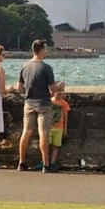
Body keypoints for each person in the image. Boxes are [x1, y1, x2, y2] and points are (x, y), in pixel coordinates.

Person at [16, 39, 64, 173]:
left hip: (28, 103)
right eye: (46, 49)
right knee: (43, 133)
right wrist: (59, 86)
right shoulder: (47, 68)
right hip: (43, 104)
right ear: (41, 50)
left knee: (26, 132)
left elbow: (19, 88)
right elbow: (53, 89)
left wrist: (28, 93)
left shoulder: (24, 66)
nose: (47, 51)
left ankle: (21, 162)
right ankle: (46, 165)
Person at [47, 83, 70, 171]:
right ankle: (45, 162)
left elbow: (65, 117)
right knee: (46, 145)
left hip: (59, 128)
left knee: (56, 146)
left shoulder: (64, 103)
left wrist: (65, 129)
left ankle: (52, 162)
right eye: (57, 90)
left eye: (61, 91)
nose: (60, 93)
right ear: (53, 92)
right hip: (49, 128)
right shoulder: (49, 101)